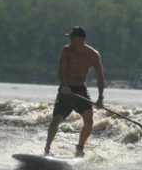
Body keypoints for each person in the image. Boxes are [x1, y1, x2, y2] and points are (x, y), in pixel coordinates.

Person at [44, 26, 105, 157]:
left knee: (89, 121)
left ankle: (79, 149)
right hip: (66, 89)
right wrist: (64, 85)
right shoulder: (66, 50)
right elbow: (60, 71)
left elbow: (100, 77)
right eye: (70, 37)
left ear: (81, 39)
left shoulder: (93, 55)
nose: (70, 39)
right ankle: (47, 149)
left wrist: (100, 98)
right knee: (57, 119)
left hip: (81, 90)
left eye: (73, 37)